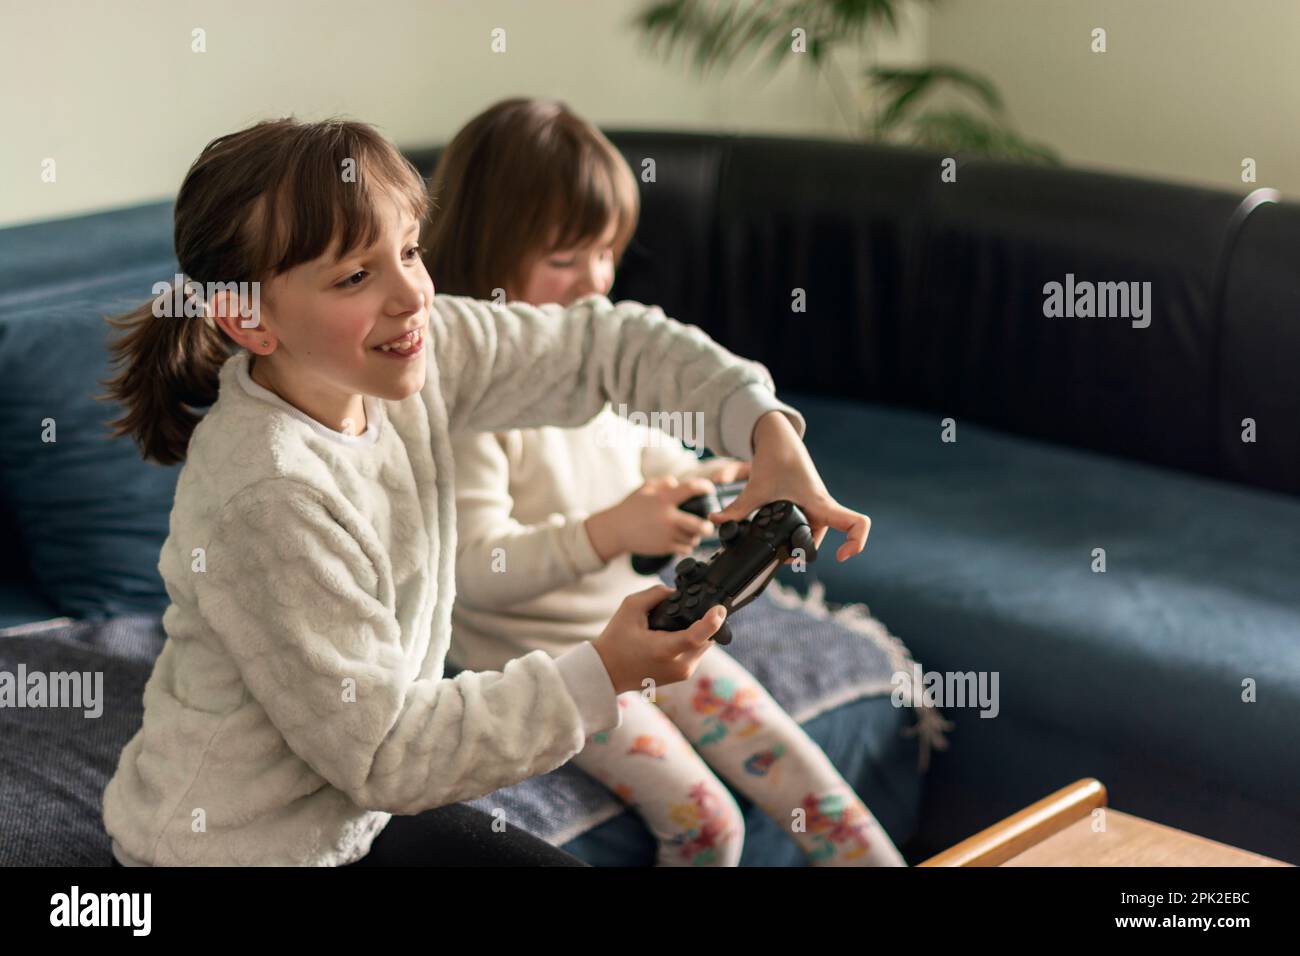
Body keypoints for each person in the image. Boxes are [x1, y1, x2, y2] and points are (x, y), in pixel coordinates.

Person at [97, 116, 870, 866]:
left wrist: (765, 429)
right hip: (235, 850)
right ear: (249, 320)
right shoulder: (269, 496)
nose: (411, 297)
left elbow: (605, 346)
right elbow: (388, 751)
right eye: (356, 276)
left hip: (352, 818)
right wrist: (602, 672)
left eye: (409, 251)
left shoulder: (420, 360)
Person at [428, 98, 906, 866]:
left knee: (810, 784)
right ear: (483, 253)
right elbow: (472, 574)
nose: (595, 283)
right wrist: (610, 533)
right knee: (707, 821)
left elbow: (646, 458)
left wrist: (703, 481)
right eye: (563, 259)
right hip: (553, 663)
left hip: (644, 627)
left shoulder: (596, 364)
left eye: (607, 253)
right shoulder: (468, 407)